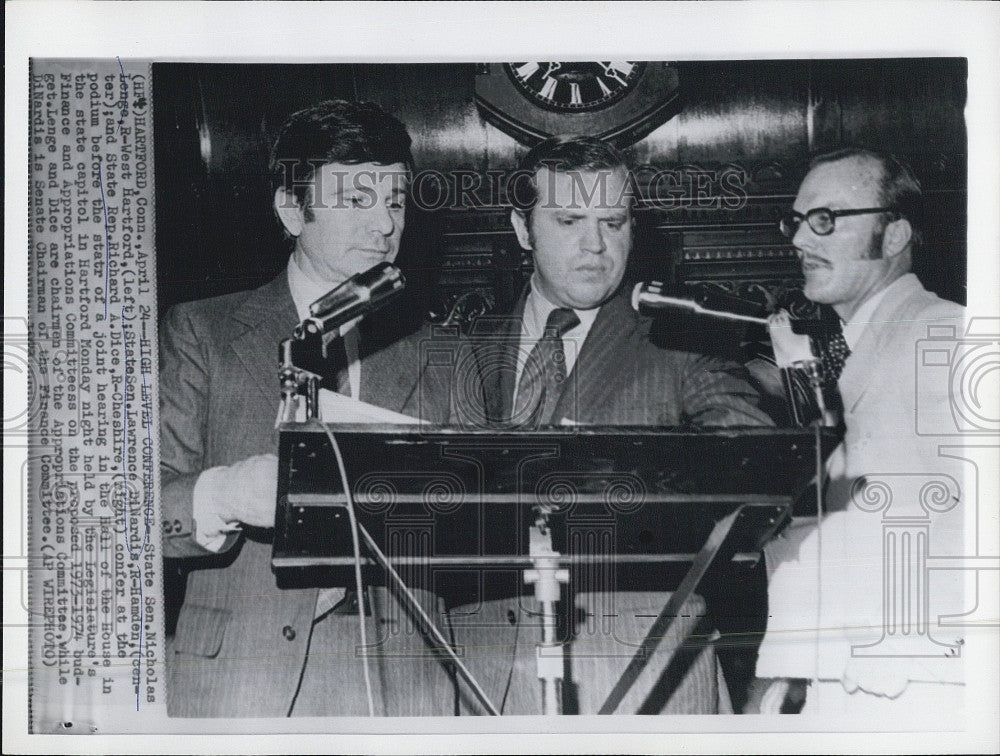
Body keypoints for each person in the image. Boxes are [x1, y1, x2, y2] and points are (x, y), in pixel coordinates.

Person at [440, 135, 774, 714]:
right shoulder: (462, 344)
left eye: (613, 222)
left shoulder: (683, 341)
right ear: (523, 230)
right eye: (570, 220)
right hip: (482, 674)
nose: (595, 245)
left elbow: (760, 473)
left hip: (643, 674)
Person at [160, 100, 454, 717]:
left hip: (405, 681)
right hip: (244, 678)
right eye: (357, 200)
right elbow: (133, 514)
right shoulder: (203, 331)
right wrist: (226, 495)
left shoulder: (440, 345)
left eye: (395, 201)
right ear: (292, 210)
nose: (384, 225)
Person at [754, 147, 966, 715]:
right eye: (796, 222)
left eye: (825, 219)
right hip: (839, 682)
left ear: (894, 235)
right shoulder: (847, 352)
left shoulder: (946, 334)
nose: (800, 240)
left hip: (916, 689)